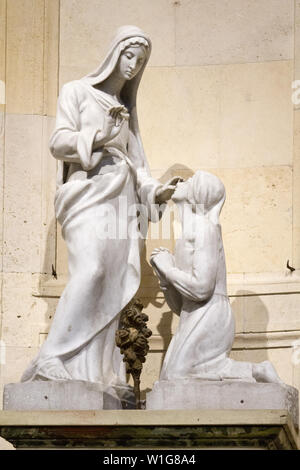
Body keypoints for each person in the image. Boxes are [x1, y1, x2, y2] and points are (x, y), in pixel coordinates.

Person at [21, 25, 180, 389]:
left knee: (111, 284)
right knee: (91, 271)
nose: (133, 66)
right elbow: (59, 141)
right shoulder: (77, 92)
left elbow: (138, 164)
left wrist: (156, 192)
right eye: (128, 56)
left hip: (121, 204)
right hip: (88, 196)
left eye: (140, 62)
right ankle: (51, 356)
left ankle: (97, 373)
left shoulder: (125, 109)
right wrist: (99, 137)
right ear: (113, 54)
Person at [150, 170, 282, 383]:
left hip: (211, 314)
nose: (182, 180)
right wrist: (165, 280)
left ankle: (256, 371)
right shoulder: (187, 236)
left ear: (198, 195)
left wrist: (168, 270)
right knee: (169, 379)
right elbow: (180, 306)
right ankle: (256, 371)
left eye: (191, 180)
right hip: (194, 315)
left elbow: (201, 289)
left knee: (178, 376)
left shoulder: (204, 229)